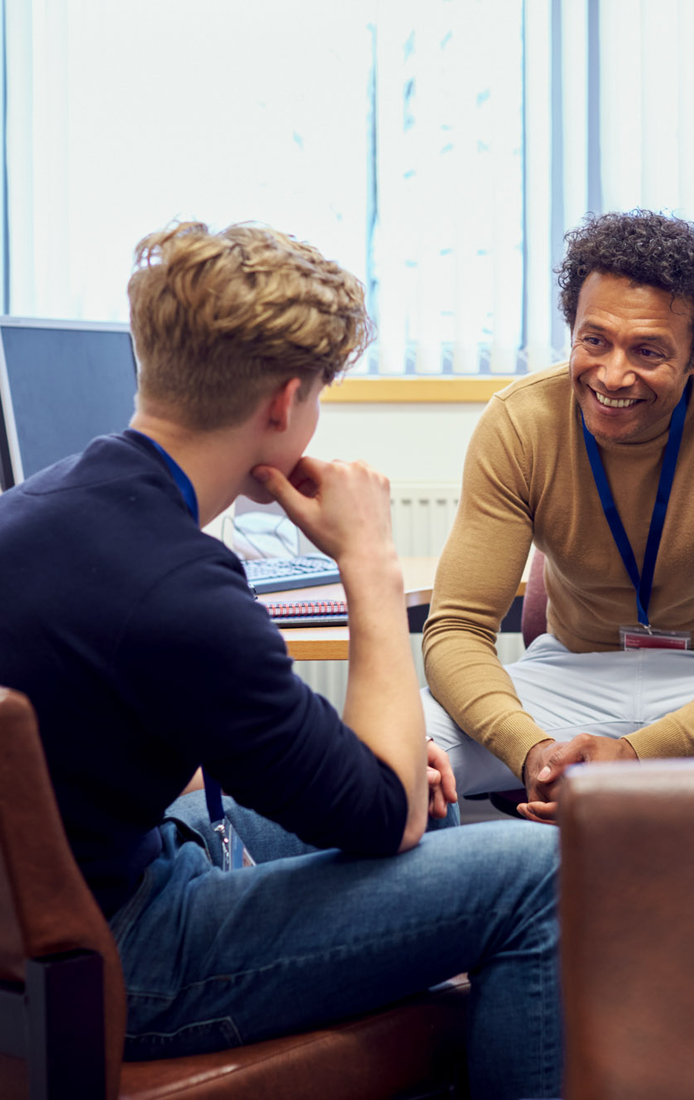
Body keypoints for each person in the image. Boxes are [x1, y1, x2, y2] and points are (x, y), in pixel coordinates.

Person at [0, 221, 560, 1100]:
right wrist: (368, 561)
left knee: (432, 804)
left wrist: (374, 776)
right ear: (284, 402)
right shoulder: (181, 590)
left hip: (58, 906)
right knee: (539, 876)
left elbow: (119, 732)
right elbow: (382, 817)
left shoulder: (44, 502)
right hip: (122, 957)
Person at [422, 209, 694, 824]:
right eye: (594, 340)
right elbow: (457, 631)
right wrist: (534, 753)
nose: (613, 374)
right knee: (400, 747)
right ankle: (473, 912)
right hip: (572, 675)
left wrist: (638, 754)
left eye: (648, 350)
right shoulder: (519, 422)